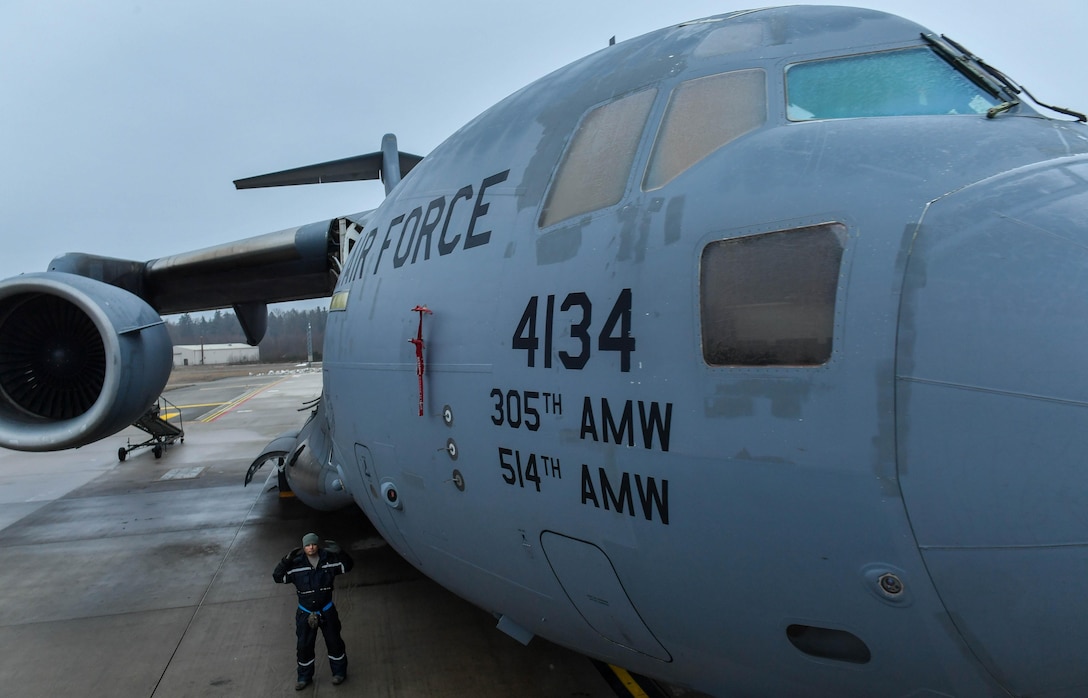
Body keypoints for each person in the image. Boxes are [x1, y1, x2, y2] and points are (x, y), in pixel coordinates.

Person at [273, 532, 355, 690]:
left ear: (317, 545)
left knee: (335, 642)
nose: (311, 547)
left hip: (327, 611)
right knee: (304, 646)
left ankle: (339, 673)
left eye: (313, 544)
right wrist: (286, 560)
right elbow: (277, 577)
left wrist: (340, 552)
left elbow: (347, 566)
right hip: (305, 613)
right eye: (307, 545)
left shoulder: (329, 561)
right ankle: (304, 677)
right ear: (303, 547)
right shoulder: (296, 565)